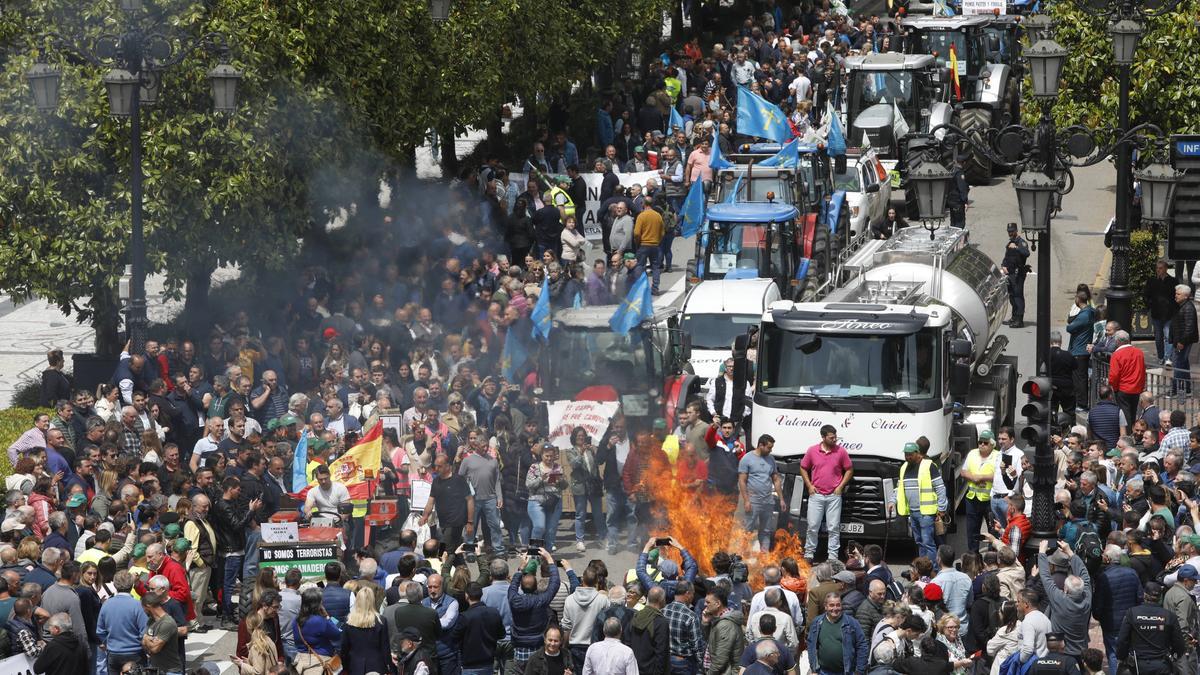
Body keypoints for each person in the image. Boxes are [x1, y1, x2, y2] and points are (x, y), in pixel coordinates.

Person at [800, 425, 853, 560]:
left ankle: (832, 556)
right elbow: (803, 467)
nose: (835, 439)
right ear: (823, 437)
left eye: (835, 437)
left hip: (834, 496)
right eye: (831, 437)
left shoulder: (841, 452)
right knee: (812, 526)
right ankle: (809, 554)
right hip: (816, 495)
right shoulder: (812, 451)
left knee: (833, 527)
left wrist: (840, 486)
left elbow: (849, 469)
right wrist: (809, 486)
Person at [1116, 581, 1187, 674]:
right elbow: (1179, 644)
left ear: (1144, 595)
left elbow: (1122, 640)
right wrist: (1173, 655)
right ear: (1159, 598)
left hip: (1138, 666)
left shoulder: (1132, 613)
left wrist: (1122, 657)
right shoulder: (1169, 616)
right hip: (1162, 665)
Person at [896, 442, 948, 561]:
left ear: (917, 453)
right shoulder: (904, 467)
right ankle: (924, 569)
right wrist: (892, 501)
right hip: (912, 512)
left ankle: (933, 570)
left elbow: (940, 487)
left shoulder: (928, 465)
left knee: (928, 542)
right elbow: (899, 487)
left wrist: (942, 508)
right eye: (906, 455)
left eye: (910, 455)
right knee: (919, 542)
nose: (907, 457)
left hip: (926, 513)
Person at [420, 452, 475, 558]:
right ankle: (461, 570)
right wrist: (425, 516)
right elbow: (431, 501)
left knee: (445, 549)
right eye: (435, 466)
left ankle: (443, 566)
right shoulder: (436, 482)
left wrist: (470, 522)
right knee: (455, 550)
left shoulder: (458, 480)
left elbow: (470, 500)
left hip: (456, 522)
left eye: (439, 466)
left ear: (448, 466)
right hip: (443, 522)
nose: (436, 469)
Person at [739, 434, 786, 552]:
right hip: (753, 500)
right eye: (769, 447)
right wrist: (746, 500)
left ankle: (764, 557)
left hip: (768, 500)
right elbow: (742, 481)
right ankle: (744, 555)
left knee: (766, 531)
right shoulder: (747, 458)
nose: (771, 450)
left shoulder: (771, 459)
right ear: (760, 445)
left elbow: (776, 479)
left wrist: (781, 499)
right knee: (748, 529)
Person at [806, 592, 868, 675]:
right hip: (823, 672)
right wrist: (813, 668)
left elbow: (862, 646)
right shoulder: (817, 623)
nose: (835, 608)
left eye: (838, 605)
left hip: (846, 672)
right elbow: (811, 645)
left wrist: (859, 671)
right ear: (825, 606)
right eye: (831, 605)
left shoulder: (851, 623)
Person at [452, 581, 505, 675]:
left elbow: (454, 638)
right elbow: (501, 634)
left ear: (467, 595)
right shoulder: (494, 613)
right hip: (488, 663)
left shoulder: (465, 617)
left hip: (470, 665)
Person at [961, 429, 999, 552]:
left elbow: (1000, 476)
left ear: (992, 444)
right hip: (972, 498)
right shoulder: (972, 453)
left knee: (993, 530)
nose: (982, 444)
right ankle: (973, 557)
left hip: (989, 500)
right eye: (980, 442)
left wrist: (982, 477)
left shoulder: (998, 456)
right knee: (972, 530)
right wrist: (972, 477)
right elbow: (963, 471)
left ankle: (991, 557)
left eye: (985, 443)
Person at [340, 587, 392, 675]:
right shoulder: (381, 621)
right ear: (372, 600)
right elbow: (385, 648)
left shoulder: (349, 621)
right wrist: (389, 667)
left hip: (354, 666)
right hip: (377, 666)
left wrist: (345, 667)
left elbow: (344, 647)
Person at [294, 586, 342, 674]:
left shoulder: (296, 620)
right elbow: (337, 633)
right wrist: (327, 616)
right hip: (320, 663)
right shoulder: (320, 621)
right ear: (317, 604)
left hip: (302, 661)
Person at [1143, 259, 1178, 366]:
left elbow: (1176, 297)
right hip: (1156, 314)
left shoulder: (1173, 281)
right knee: (1158, 338)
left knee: (1168, 337)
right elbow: (1146, 295)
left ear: (1166, 269)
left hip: (1168, 314)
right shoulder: (1152, 281)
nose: (1158, 270)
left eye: (1161, 268)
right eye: (1157, 268)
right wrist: (1150, 305)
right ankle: (1161, 357)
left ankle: (1168, 358)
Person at [629, 585, 670, 675]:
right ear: (661, 600)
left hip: (634, 668)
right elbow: (661, 652)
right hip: (651, 671)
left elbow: (628, 642)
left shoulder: (635, 616)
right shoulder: (661, 622)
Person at [142, 591, 185, 675]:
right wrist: (148, 640)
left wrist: (147, 639)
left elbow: (155, 649)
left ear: (148, 606)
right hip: (155, 669)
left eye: (143, 608)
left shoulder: (167, 623)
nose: (143, 611)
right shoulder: (151, 621)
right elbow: (143, 643)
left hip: (170, 671)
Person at [1108, 330, 1145, 424]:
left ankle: (1127, 434)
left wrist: (1115, 388)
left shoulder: (1116, 355)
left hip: (1123, 389)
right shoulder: (1139, 352)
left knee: (1125, 414)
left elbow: (1114, 375)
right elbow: (1142, 370)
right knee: (1133, 413)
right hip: (1136, 388)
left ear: (1117, 342)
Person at [1170, 284, 1198, 396]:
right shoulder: (1180, 305)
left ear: (1186, 296)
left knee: (1178, 364)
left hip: (1183, 342)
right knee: (1184, 364)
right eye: (1176, 293)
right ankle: (1187, 390)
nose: (1175, 295)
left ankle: (1175, 390)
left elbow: (1189, 328)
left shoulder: (1188, 308)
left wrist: (1182, 342)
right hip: (1179, 340)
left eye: (1178, 294)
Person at [1000, 223, 1030, 328]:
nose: (1010, 233)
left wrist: (1016, 247)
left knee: (1018, 296)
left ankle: (1019, 320)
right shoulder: (1010, 243)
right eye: (1009, 231)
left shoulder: (1021, 243)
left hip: (1018, 274)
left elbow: (1026, 253)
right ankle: (1014, 317)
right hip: (1010, 273)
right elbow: (1007, 257)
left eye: (1012, 231)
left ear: (1016, 231)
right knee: (1012, 296)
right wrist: (1003, 265)